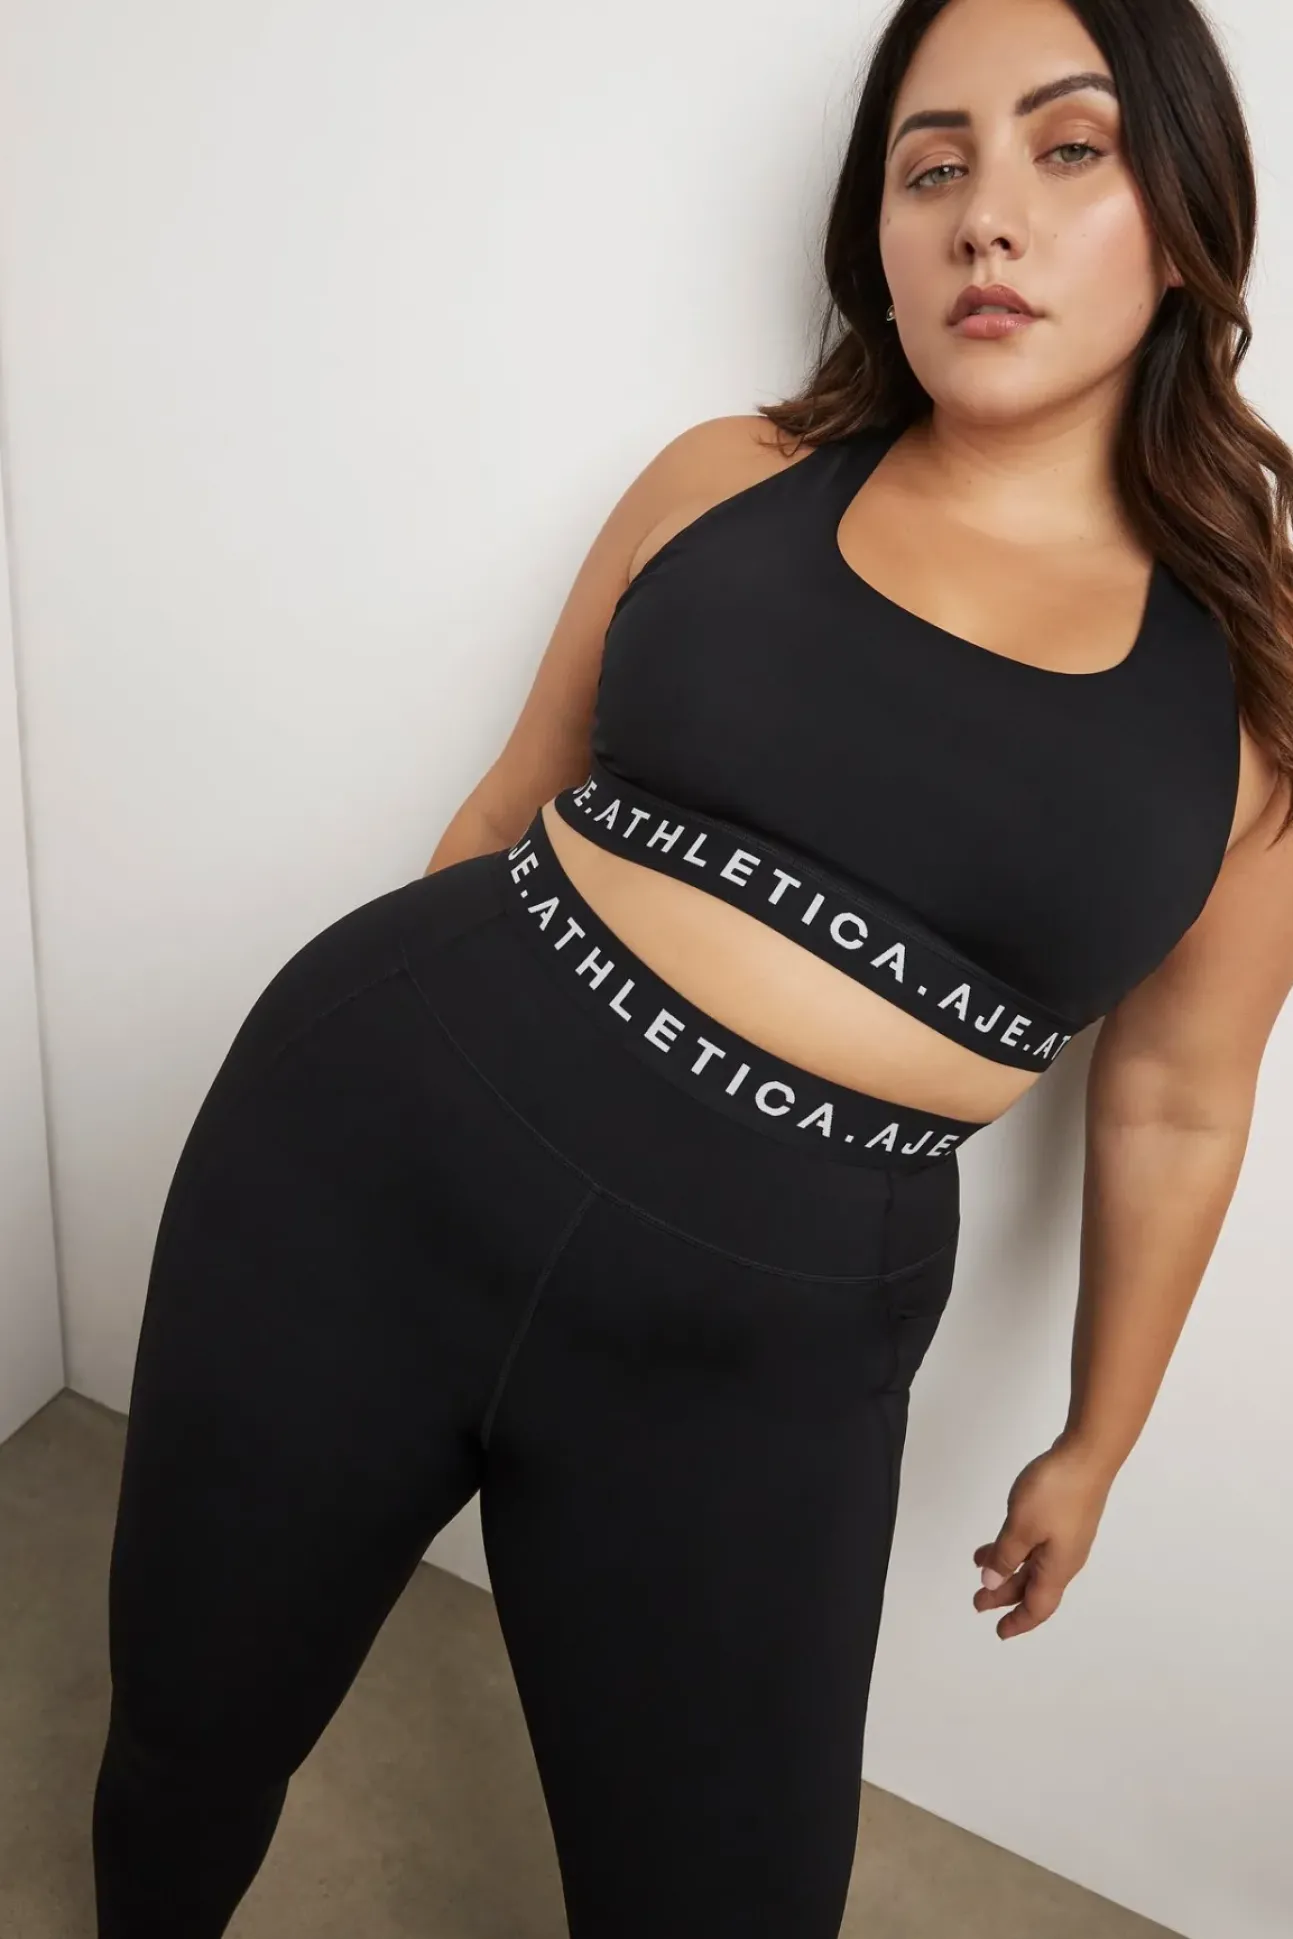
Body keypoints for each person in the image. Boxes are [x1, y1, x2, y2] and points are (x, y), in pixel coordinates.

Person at [92, 0, 1293, 1934]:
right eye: (930, 166)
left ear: (1184, 217)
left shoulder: (1253, 696)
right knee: (188, 1732)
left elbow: (1176, 1097)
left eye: (1068, 149)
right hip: (359, 1166)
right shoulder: (725, 474)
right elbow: (505, 808)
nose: (986, 214)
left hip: (761, 1349)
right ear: (879, 237)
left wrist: (1099, 1436)